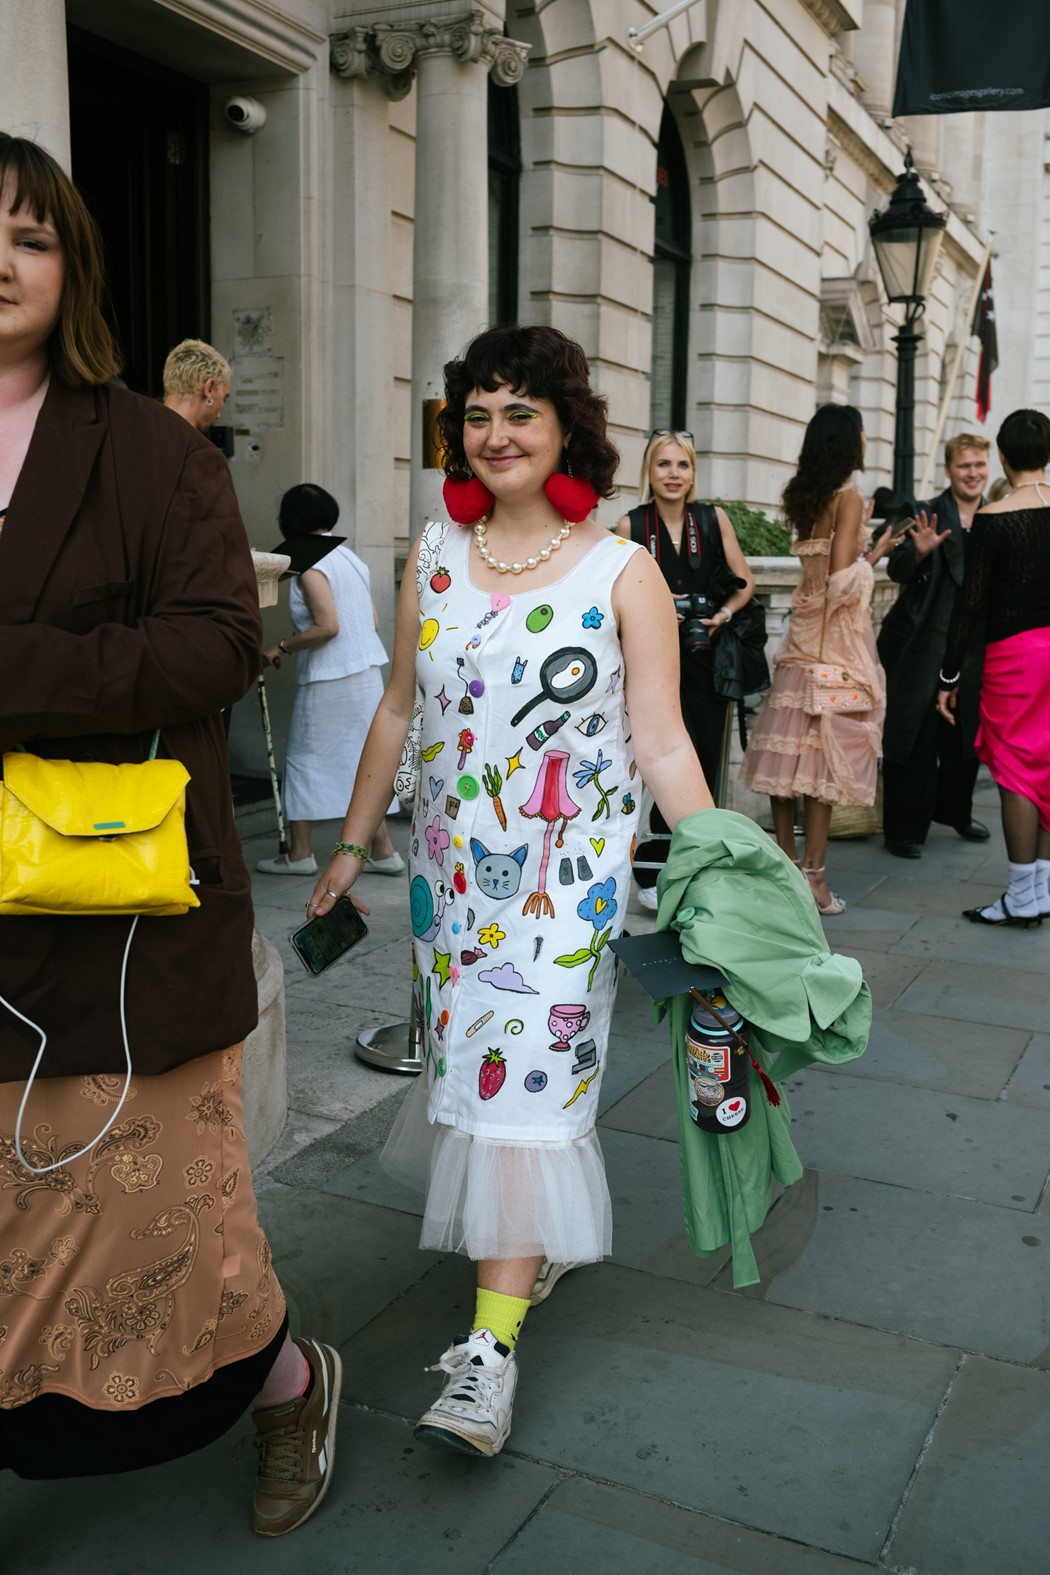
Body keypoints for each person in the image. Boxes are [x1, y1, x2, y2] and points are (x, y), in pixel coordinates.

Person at [0, 133, 341, 1536]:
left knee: (158, 1230)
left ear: (70, 263)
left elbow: (215, 643)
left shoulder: (151, 448)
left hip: (108, 919)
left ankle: (289, 1381)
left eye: (25, 231)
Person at [309, 323, 715, 1457]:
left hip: (565, 891)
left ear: (566, 428)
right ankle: (517, 1272)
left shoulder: (620, 570)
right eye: (476, 414)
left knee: (528, 1099)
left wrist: (723, 865)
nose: (493, 434)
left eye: (518, 413)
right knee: (477, 1087)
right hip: (450, 891)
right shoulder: (434, 553)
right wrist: (351, 846)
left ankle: (487, 1354)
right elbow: (397, 705)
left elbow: (664, 742)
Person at [739, 404, 891, 916]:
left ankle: (783, 873)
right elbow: (843, 580)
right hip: (835, 649)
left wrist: (871, 550)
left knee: (786, 763)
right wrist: (871, 560)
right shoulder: (849, 497)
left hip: (799, 643)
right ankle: (815, 882)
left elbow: (820, 570)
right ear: (849, 443)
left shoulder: (802, 496)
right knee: (821, 767)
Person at [615, 430, 755, 909]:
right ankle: (652, 870)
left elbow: (744, 583)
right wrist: (652, 608)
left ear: (693, 473)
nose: (673, 475)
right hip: (651, 662)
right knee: (652, 762)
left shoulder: (713, 519)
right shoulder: (630, 525)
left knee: (703, 762)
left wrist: (722, 615)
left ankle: (697, 864)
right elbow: (607, 594)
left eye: (682, 465)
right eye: (664, 465)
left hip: (705, 658)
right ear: (649, 472)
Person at [937, 408, 1050, 926]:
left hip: (1015, 659)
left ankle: (1023, 895)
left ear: (1002, 456)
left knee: (1016, 772)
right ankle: (1043, 887)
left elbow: (971, 605)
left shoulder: (994, 517)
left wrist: (949, 675)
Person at [257, 483, 404, 876]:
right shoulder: (350, 558)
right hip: (366, 673)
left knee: (306, 759)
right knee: (366, 760)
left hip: (328, 678)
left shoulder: (311, 564)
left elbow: (328, 626)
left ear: (289, 521)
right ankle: (384, 850)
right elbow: (370, 621)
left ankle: (300, 853)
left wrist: (281, 646)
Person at [878, 432, 992, 858]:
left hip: (974, 647)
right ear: (949, 470)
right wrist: (919, 553)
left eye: (979, 465)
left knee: (965, 739)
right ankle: (904, 829)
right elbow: (897, 569)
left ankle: (956, 812)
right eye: (964, 466)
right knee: (915, 738)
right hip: (922, 645)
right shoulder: (923, 512)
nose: (972, 473)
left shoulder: (996, 516)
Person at [162, 336, 231, 432]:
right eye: (224, 398)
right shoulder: (195, 445)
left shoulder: (138, 429)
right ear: (209, 389)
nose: (218, 416)